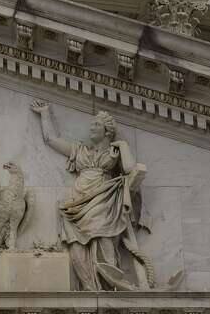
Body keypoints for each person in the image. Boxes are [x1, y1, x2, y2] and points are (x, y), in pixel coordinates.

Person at [29, 101, 152, 290]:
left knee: (104, 238)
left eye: (96, 125)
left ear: (107, 131)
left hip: (103, 199)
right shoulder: (80, 151)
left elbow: (129, 169)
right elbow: (51, 139)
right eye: (92, 124)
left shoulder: (115, 151)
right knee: (75, 243)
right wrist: (45, 114)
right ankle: (88, 286)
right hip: (77, 203)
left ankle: (111, 285)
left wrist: (123, 145)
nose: (91, 128)